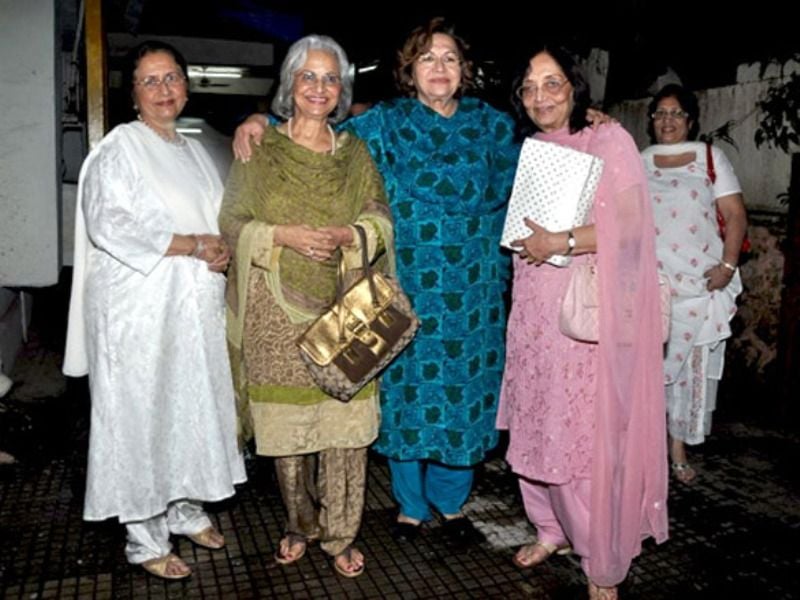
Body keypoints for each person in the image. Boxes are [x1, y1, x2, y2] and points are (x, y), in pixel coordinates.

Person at [234, 17, 519, 545]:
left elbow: (526, 186)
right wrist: (258, 118)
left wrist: (587, 122)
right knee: (406, 395)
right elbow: (317, 131)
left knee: (466, 397)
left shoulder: (494, 127)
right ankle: (410, 505)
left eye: (450, 58)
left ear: (466, 70)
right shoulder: (385, 123)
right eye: (427, 58)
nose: (439, 67)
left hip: (475, 296)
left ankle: (452, 503)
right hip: (404, 288)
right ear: (409, 70)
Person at [63, 41, 246, 580]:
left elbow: (214, 219)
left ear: (186, 86)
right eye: (151, 81)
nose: (164, 90)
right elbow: (110, 226)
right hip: (137, 315)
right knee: (141, 416)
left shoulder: (189, 149)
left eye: (172, 79)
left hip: (189, 311)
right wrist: (194, 244)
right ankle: (144, 538)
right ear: (133, 94)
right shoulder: (119, 149)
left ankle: (185, 508)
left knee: (189, 408)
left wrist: (221, 247)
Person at [496, 47, 668, 599]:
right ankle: (551, 529)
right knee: (532, 425)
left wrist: (562, 242)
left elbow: (634, 225)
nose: (541, 96)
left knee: (574, 439)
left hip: (580, 320)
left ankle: (599, 559)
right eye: (529, 86)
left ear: (575, 88)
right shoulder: (532, 148)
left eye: (552, 83)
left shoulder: (608, 140)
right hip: (530, 313)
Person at [220, 35, 393, 578]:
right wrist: (283, 236)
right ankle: (300, 522)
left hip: (346, 306)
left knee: (345, 431)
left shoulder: (354, 153)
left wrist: (350, 233)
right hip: (275, 307)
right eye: (308, 76)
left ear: (341, 90)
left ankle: (341, 535)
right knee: (289, 434)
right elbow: (232, 221)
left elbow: (382, 217)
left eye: (329, 78)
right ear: (290, 85)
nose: (319, 88)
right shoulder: (259, 148)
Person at [641, 84, 746, 484]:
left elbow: (735, 215)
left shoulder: (709, 157)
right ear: (651, 121)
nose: (667, 121)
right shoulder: (640, 160)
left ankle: (678, 450)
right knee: (647, 371)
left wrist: (728, 265)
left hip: (702, 284)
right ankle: (644, 449)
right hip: (652, 285)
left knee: (690, 371)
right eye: (660, 114)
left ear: (690, 120)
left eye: (676, 113)